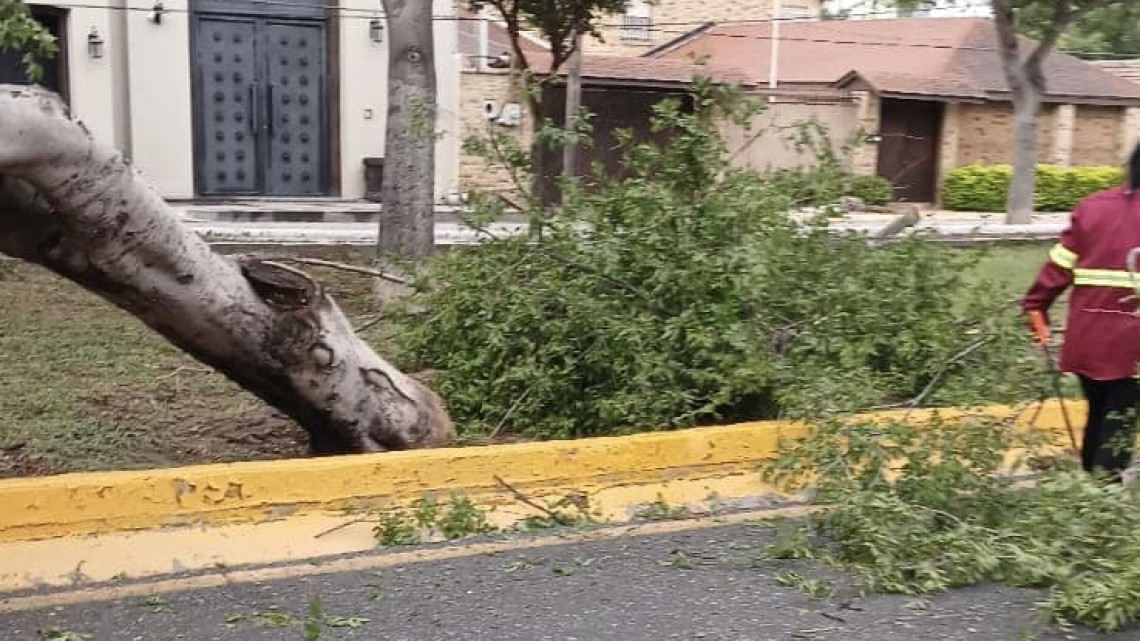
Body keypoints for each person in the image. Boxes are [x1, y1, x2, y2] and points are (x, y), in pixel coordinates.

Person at [1023, 143, 1140, 480]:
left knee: (1100, 412)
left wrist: (1036, 309)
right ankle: (1102, 496)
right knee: (1118, 423)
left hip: (1088, 338)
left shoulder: (1093, 207)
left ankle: (1090, 488)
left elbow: (1057, 268)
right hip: (1133, 345)